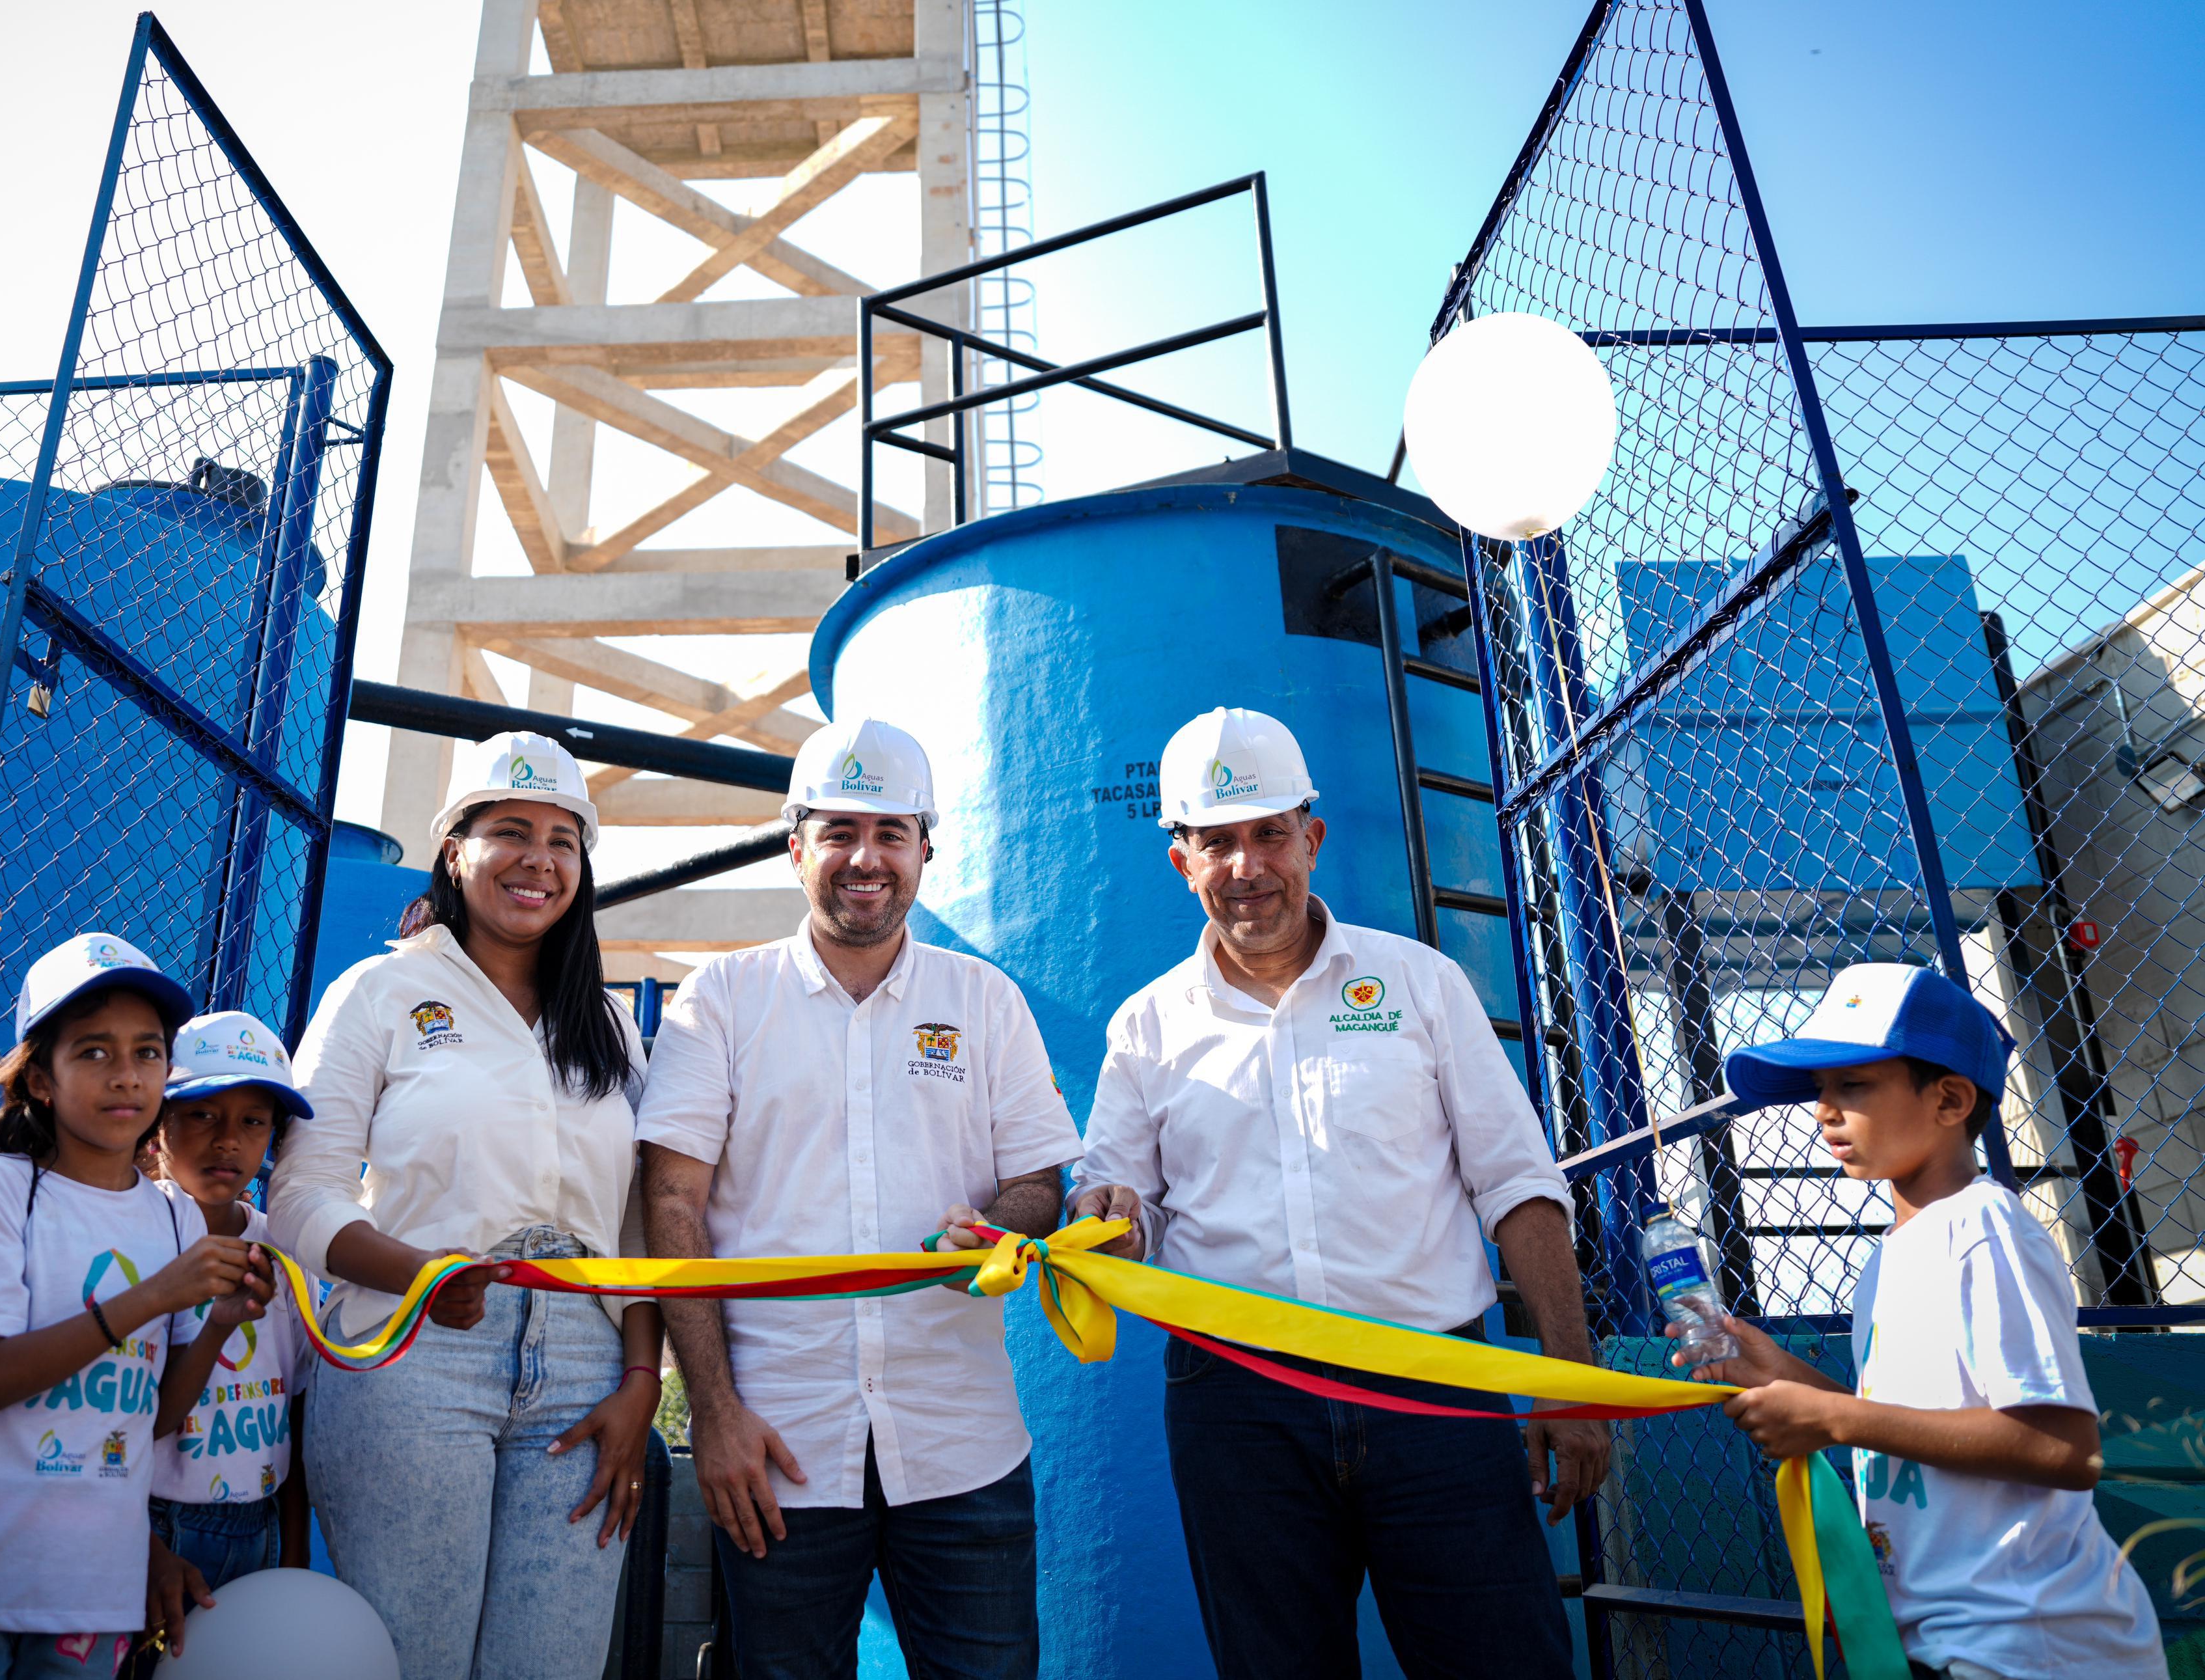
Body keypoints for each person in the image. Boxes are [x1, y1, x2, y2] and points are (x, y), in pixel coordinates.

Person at [1070, 708, 1603, 1680]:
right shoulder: (1144, 1029)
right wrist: (1101, 1218)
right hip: (1240, 1405)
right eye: (1219, 842)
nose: (1248, 865)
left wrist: (1570, 1379)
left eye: (1270, 832)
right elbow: (1120, 1203)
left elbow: (1518, 1186)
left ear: (1311, 838)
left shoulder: (1424, 985)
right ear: (1180, 861)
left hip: (1436, 1388)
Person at [639, 717, 1084, 1680]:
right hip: (777, 1447)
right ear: (796, 843)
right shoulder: (719, 1000)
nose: (865, 858)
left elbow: (1042, 1181)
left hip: (963, 1441)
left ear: (926, 848)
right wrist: (711, 1412)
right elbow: (670, 1206)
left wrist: (1001, 1224)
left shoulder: (985, 1001)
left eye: (890, 832)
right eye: (839, 831)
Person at [270, 732, 659, 1677]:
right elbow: (299, 1194)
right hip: (414, 1350)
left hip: (585, 1368)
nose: (539, 858)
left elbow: (640, 1222)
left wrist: (642, 1381)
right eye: (511, 830)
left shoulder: (606, 1023)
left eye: (564, 839)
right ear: (455, 848)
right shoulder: (382, 991)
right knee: (416, 1660)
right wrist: (423, 1275)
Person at [1682, 962, 2165, 1680]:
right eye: (1818, 1089)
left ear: (1948, 1100)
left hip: (2030, 1645)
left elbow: (2063, 1448)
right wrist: (1788, 1377)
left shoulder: (1982, 1226)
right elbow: (1909, 1419)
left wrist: (1828, 1417)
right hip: (1943, 1638)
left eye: (1851, 1085)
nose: (1821, 1109)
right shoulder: (1889, 1258)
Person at [0, 934, 268, 1680]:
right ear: (41, 1081)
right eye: (93, 1052)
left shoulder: (175, 1217)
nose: (126, 1076)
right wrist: (152, 1295)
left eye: (147, 1053)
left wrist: (218, 1321)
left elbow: (160, 1416)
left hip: (91, 1597)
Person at [146, 1011, 314, 1603]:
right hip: (156, 1525)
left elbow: (295, 1411)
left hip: (260, 1525)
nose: (228, 1140)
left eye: (253, 1122)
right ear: (158, 1122)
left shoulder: (285, 1249)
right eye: (202, 1115)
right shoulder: (141, 1236)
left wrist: (292, 1555)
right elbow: (143, 1421)